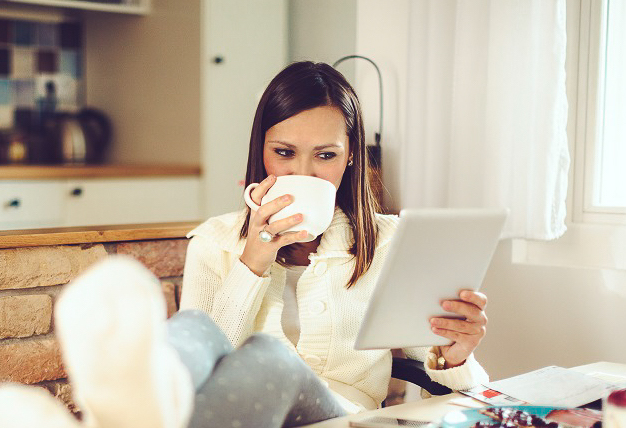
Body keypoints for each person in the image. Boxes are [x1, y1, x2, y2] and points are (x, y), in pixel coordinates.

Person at [180, 61, 490, 426]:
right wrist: (251, 263)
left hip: (344, 419)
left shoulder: (388, 243)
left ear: (351, 155)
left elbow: (452, 386)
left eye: (326, 155)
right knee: (182, 350)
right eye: (283, 153)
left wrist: (456, 356)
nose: (303, 173)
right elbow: (196, 375)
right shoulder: (212, 243)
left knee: (270, 359)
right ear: (259, 150)